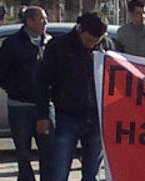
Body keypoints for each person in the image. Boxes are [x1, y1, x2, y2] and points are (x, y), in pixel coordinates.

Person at [35, 12, 115, 181]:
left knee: (92, 174)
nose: (91, 44)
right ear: (79, 29)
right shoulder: (58, 47)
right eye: (88, 40)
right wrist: (42, 116)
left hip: (97, 118)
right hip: (67, 117)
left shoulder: (107, 46)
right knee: (58, 170)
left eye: (95, 41)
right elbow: (42, 82)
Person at [0, 7, 53, 181]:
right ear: (29, 22)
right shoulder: (13, 44)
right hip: (20, 106)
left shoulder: (50, 43)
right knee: (23, 153)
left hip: (46, 107)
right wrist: (16, 89)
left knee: (48, 152)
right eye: (42, 19)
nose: (46, 23)